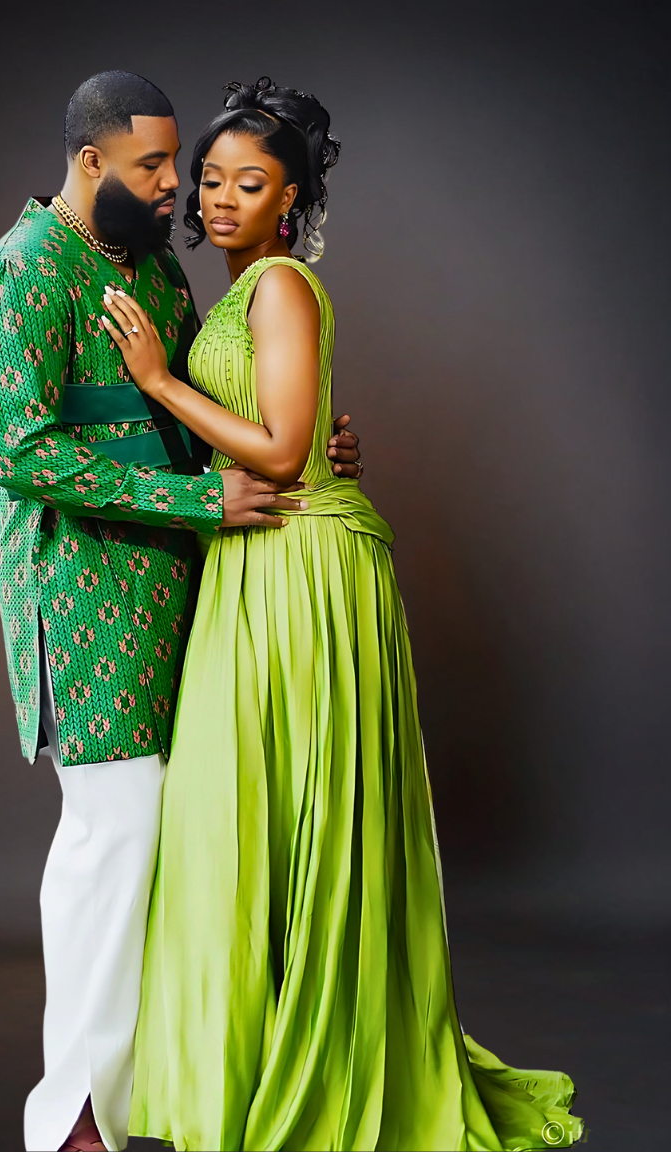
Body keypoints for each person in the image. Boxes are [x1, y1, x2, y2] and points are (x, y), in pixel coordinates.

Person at [99, 77, 585, 1151]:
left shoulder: (277, 286)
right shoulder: (233, 296)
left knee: (293, 809)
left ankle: (324, 1065)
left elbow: (274, 452)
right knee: (245, 815)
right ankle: (254, 1063)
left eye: (251, 183)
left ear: (291, 200)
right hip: (254, 553)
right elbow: (288, 430)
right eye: (212, 180)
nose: (222, 199)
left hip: (299, 562)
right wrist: (307, 435)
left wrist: (155, 382)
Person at [0, 71, 363, 1152]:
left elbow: (201, 407)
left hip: (182, 590)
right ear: (91, 162)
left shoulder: (149, 267)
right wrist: (197, 495)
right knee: (111, 836)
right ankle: (71, 1117)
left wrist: (310, 439)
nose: (172, 187)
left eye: (171, 166)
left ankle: (151, 1094)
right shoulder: (22, 272)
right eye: (150, 167)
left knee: (170, 844)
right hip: (79, 592)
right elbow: (21, 450)